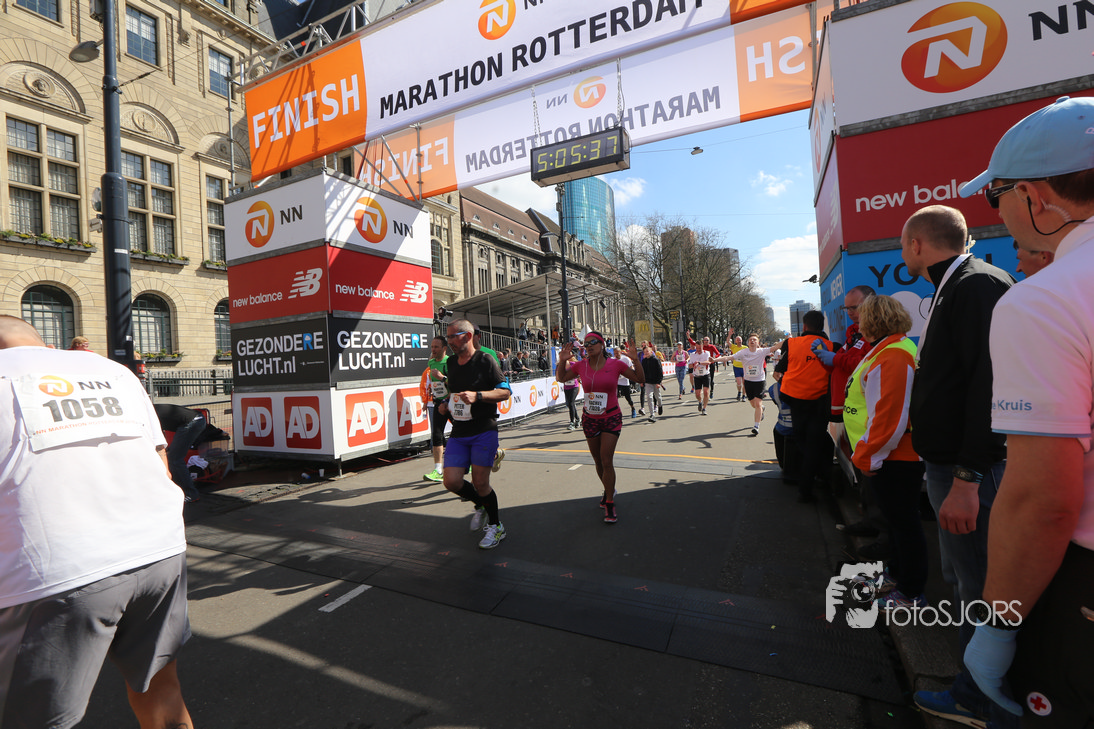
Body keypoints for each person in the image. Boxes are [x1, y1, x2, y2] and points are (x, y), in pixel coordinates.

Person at [958, 95, 1094, 726]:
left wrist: (997, 624)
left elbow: (1042, 498)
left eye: (996, 195)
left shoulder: (1045, 300)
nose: (998, 212)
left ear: (1036, 198)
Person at [0, 315, 193, 728]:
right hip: (159, 548)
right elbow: (162, 465)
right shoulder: (111, 371)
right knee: (161, 689)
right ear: (43, 343)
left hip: (54, 571)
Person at [898, 205, 1015, 729]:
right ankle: (977, 688)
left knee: (980, 582)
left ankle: (979, 698)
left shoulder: (974, 286)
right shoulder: (960, 285)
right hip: (952, 466)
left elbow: (989, 385)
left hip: (971, 473)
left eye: (903, 244)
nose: (903, 252)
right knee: (964, 577)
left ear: (918, 245)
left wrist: (968, 478)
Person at [842, 295, 928, 610]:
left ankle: (910, 593)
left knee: (904, 525)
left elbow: (889, 416)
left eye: (861, 316)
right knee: (898, 524)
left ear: (873, 321)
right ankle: (899, 577)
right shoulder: (891, 349)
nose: (857, 322)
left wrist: (867, 456)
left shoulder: (891, 355)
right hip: (891, 455)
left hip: (894, 457)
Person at [438, 319, 512, 549]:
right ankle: (481, 504)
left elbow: (505, 392)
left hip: (483, 430)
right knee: (451, 481)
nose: (449, 342)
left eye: (452, 336)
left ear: (468, 336)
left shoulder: (485, 360)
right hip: (459, 431)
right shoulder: (451, 363)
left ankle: (496, 526)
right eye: (448, 337)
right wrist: (445, 403)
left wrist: (478, 396)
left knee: (480, 482)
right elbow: (452, 391)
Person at [556, 333, 645, 523]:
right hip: (590, 419)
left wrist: (636, 360)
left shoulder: (616, 364)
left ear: (602, 345)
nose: (588, 346)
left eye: (593, 342)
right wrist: (562, 361)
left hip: (611, 417)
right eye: (586, 343)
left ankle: (610, 503)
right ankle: (608, 489)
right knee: (597, 460)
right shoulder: (580, 365)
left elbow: (639, 378)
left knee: (606, 460)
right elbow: (561, 378)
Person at [774, 310, 834, 503]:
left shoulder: (792, 344)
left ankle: (810, 483)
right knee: (816, 443)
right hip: (819, 401)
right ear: (822, 327)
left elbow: (779, 370)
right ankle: (815, 482)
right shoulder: (831, 346)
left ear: (805, 326)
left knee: (804, 441)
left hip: (796, 400)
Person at [154, 403, 208, 502]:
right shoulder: (149, 411)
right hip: (195, 419)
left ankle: (191, 494)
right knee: (172, 457)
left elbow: (158, 441)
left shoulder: (147, 415)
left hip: (192, 422)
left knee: (174, 459)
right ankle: (181, 489)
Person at [732, 334, 778, 436]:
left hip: (759, 381)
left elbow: (775, 347)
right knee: (753, 404)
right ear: (748, 343)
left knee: (757, 404)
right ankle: (762, 408)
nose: (752, 341)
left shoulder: (762, 351)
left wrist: (789, 340)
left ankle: (756, 426)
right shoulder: (744, 352)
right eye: (750, 340)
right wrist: (715, 360)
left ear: (758, 343)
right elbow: (730, 357)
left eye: (754, 340)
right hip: (748, 381)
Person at [422, 335, 449, 482]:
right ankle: (438, 470)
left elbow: (457, 382)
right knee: (437, 435)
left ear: (444, 348)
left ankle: (469, 462)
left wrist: (442, 378)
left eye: (436, 347)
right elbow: (432, 383)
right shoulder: (431, 362)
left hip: (452, 402)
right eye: (432, 346)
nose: (433, 349)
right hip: (438, 403)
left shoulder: (449, 362)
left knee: (463, 434)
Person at [640, 344, 664, 422]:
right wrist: (642, 381)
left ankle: (660, 405)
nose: (646, 353)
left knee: (658, 396)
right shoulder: (644, 361)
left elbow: (660, 372)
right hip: (648, 382)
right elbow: (642, 372)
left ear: (651, 352)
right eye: (644, 352)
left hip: (656, 382)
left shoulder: (656, 360)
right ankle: (652, 414)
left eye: (647, 351)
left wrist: (658, 382)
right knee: (649, 397)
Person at [613, 346, 638, 418]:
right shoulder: (612, 360)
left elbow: (631, 368)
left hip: (624, 381)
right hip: (616, 381)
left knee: (628, 397)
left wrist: (631, 374)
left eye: (617, 353)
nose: (616, 355)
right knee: (614, 398)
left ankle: (633, 408)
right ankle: (615, 412)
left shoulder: (626, 359)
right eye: (615, 353)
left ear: (620, 352)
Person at [562, 347, 582, 430]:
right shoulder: (561, 365)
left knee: (571, 403)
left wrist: (578, 377)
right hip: (566, 387)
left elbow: (580, 372)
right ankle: (577, 419)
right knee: (569, 404)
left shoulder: (573, 364)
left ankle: (572, 423)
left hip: (574, 386)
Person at [728, 335, 747, 401]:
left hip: (744, 367)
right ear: (735, 341)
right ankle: (739, 392)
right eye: (737, 340)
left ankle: (744, 396)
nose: (739, 341)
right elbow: (728, 341)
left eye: (740, 339)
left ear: (742, 340)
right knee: (739, 383)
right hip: (736, 367)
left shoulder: (745, 348)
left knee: (744, 383)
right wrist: (729, 334)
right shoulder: (734, 347)